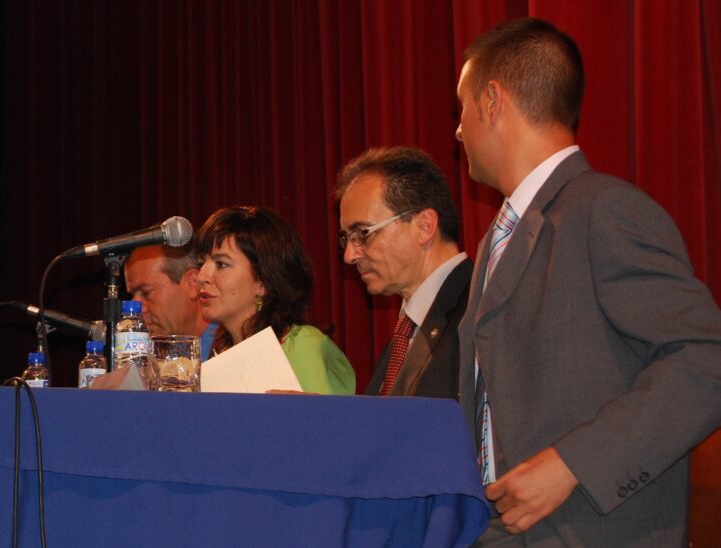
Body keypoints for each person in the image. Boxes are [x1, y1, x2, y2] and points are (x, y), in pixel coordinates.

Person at [455, 17, 721, 545]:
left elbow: (707, 359)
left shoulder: (605, 210)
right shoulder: (497, 239)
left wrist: (572, 463)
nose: (458, 130)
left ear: (492, 101)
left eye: (460, 108)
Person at [336, 146, 471, 398]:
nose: (349, 256)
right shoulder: (404, 334)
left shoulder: (479, 310)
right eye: (347, 238)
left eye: (362, 233)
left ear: (424, 226)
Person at [195, 206, 355, 395]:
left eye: (221, 264)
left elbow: (325, 414)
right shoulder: (219, 353)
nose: (201, 276)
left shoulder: (302, 346)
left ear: (263, 281)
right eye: (201, 264)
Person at [124, 244, 217, 359]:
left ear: (193, 283)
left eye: (146, 293)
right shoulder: (152, 357)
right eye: (132, 296)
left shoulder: (229, 350)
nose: (138, 310)